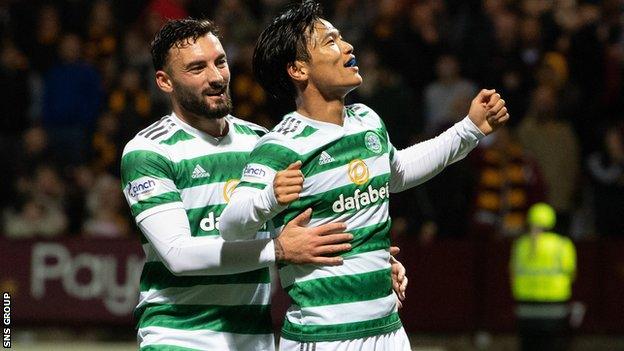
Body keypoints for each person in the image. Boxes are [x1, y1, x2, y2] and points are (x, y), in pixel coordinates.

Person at [219, 1, 509, 349]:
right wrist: (268, 199)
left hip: (388, 331)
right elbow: (230, 225)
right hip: (323, 337)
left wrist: (469, 129)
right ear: (298, 70)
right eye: (329, 41)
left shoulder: (366, 119)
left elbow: (397, 171)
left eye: (341, 38)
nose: (347, 47)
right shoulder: (282, 145)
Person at [120, 19, 365, 351]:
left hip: (254, 337)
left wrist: (375, 263)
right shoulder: (149, 151)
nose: (217, 77)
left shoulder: (262, 143)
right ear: (165, 82)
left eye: (219, 62)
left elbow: (310, 229)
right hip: (178, 335)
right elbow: (177, 255)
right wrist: (277, 249)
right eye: (196, 68)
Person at [510, 202, 577, 351]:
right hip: (554, 309)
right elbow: (571, 274)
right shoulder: (562, 245)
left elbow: (513, 274)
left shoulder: (521, 245)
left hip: (525, 309)